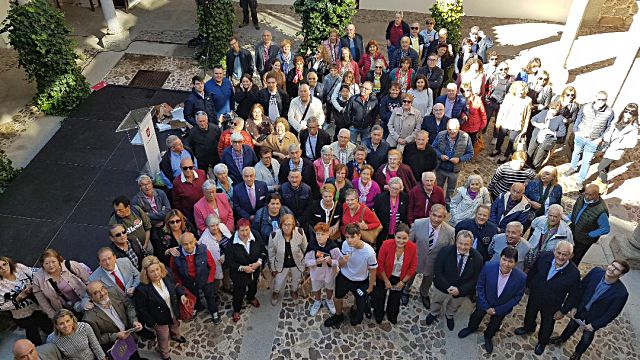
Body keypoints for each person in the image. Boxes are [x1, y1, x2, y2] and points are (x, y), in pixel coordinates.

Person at [549, 260, 630, 360]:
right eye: (612, 265)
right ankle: (562, 338)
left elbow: (611, 314)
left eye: (616, 269)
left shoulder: (621, 293)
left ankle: (578, 353)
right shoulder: (596, 272)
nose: (611, 269)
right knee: (571, 325)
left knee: (586, 338)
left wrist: (594, 325)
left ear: (621, 275)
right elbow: (580, 289)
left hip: (593, 319)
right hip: (581, 309)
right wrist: (574, 306)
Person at [515, 241, 580, 355]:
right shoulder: (544, 256)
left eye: (564, 254)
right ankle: (528, 327)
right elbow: (533, 271)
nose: (560, 257)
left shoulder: (574, 273)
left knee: (547, 324)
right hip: (535, 295)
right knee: (530, 314)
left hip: (552, 304)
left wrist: (563, 311)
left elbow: (574, 296)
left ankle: (542, 342)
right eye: (558, 253)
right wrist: (528, 286)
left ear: (571, 256)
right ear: (554, 251)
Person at [457, 247, 526, 354]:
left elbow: (517, 297)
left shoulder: (521, 277)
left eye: (510, 261)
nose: (506, 264)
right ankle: (471, 328)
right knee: (476, 315)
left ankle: (488, 336)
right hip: (484, 302)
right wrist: (486, 306)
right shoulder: (488, 266)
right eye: (504, 259)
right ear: (500, 258)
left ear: (515, 263)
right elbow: (480, 286)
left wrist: (498, 309)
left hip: (501, 308)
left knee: (495, 324)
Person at [426, 230, 483, 330]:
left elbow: (475, 279)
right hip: (442, 286)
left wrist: (460, 291)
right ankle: (434, 313)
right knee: (436, 301)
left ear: (471, 245)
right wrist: (447, 287)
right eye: (460, 243)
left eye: (466, 244)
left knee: (453, 306)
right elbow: (438, 271)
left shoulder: (478, 258)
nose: (462, 247)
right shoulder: (445, 251)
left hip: (461, 290)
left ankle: (449, 316)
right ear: (456, 242)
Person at [323, 223, 378, 327]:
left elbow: (373, 269)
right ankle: (338, 315)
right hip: (344, 276)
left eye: (352, 237)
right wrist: (344, 260)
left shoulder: (369, 252)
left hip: (360, 280)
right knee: (337, 298)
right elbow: (340, 265)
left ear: (359, 236)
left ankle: (354, 310)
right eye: (347, 237)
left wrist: (370, 286)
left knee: (358, 301)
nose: (349, 240)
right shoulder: (345, 245)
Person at [134, 256, 187, 360]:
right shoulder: (142, 289)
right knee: (163, 338)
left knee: (175, 324)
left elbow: (175, 285)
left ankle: (176, 336)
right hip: (159, 319)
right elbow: (141, 309)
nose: (156, 273)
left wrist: (181, 295)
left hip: (172, 310)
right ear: (146, 273)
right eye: (152, 271)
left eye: (157, 269)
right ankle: (165, 354)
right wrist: (152, 323)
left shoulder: (166, 276)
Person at [405, 204, 453, 308]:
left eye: (440, 216)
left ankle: (424, 293)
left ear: (444, 217)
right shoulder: (418, 224)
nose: (436, 219)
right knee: (409, 277)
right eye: (434, 215)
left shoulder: (450, 231)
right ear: (430, 213)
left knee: (428, 280)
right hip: (415, 259)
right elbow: (409, 243)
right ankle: (405, 290)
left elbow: (448, 252)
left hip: (433, 263)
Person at [83, 281, 145, 358]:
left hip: (131, 339)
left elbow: (128, 306)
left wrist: (134, 321)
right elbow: (97, 339)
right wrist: (116, 335)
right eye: (96, 293)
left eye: (102, 289)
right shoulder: (89, 318)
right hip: (117, 349)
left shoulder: (114, 291)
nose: (102, 293)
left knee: (136, 356)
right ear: (91, 298)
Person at [170, 233, 220, 324]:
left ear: (195, 241)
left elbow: (212, 265)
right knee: (194, 297)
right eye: (185, 244)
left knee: (210, 296)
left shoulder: (203, 250)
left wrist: (210, 279)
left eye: (191, 242)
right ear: (181, 244)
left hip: (205, 279)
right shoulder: (176, 255)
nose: (189, 246)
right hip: (188, 281)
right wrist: (180, 283)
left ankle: (214, 311)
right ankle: (197, 307)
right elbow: (174, 271)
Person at [0, 257, 52, 345]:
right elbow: (1, 307)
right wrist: (17, 299)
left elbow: (35, 274)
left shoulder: (19, 268)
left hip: (38, 305)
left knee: (47, 326)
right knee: (32, 331)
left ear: (8, 262)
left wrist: (32, 285)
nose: (3, 268)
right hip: (22, 314)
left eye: (4, 264)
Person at [373, 224, 417, 324]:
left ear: (408, 237)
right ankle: (378, 314)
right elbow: (380, 264)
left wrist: (403, 282)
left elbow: (413, 267)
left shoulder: (413, 248)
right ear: (394, 236)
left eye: (404, 238)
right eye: (399, 237)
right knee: (380, 296)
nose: (401, 241)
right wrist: (386, 281)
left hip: (400, 278)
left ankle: (392, 314)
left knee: (395, 299)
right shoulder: (386, 244)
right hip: (383, 276)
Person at [225, 219, 267, 322]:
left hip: (254, 271)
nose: (245, 233)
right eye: (242, 231)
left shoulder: (256, 235)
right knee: (238, 292)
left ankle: (251, 298)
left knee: (253, 286)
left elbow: (263, 251)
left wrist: (259, 263)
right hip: (239, 275)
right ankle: (237, 309)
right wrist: (242, 268)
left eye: (247, 230)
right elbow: (229, 261)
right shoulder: (231, 243)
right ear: (237, 230)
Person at [32, 249, 91, 319]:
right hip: (65, 312)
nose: (51, 265)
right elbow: (42, 301)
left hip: (86, 301)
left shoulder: (70, 265)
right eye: (47, 263)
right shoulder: (38, 279)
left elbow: (89, 281)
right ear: (42, 265)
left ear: (59, 260)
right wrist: (53, 316)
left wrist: (92, 298)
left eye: (53, 262)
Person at [432, 118, 474, 205]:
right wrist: (440, 156)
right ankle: (436, 202)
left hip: (454, 170)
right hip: (441, 168)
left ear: (458, 127)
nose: (452, 132)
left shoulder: (465, 137)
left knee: (451, 189)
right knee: (438, 187)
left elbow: (470, 153)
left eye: (454, 129)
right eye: (449, 129)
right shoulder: (441, 135)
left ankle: (448, 203)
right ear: (447, 128)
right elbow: (433, 148)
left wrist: (459, 159)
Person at [268, 214, 308, 304]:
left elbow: (305, 248)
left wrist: (307, 262)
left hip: (297, 262)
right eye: (284, 224)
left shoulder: (300, 232)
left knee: (296, 279)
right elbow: (271, 253)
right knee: (278, 281)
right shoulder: (274, 235)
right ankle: (276, 292)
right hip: (281, 263)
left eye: (289, 224)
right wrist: (273, 268)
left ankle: (294, 290)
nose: (287, 227)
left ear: (293, 225)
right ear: (281, 225)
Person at [490, 81, 532, 163]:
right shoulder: (509, 96)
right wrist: (498, 121)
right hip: (506, 120)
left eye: (522, 89)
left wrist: (525, 128)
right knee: (500, 136)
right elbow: (502, 110)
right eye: (518, 89)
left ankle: (505, 155)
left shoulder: (528, 100)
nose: (520, 91)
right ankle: (497, 149)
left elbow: (527, 115)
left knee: (512, 141)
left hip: (517, 123)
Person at [597, 102, 639, 183]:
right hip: (609, 147)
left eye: (631, 112)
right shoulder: (619, 120)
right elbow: (610, 132)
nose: (627, 114)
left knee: (600, 167)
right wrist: (607, 138)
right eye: (626, 111)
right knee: (605, 167)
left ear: (634, 114)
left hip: (615, 151)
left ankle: (603, 183)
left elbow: (632, 143)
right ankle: (601, 182)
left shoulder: (633, 127)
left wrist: (619, 144)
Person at [305, 223, 341, 316]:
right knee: (316, 288)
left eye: (322, 234)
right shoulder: (311, 246)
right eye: (317, 234)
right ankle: (317, 301)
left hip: (329, 273)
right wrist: (315, 262)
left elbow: (339, 261)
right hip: (316, 273)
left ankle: (329, 300)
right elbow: (306, 262)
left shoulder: (334, 248)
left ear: (328, 234)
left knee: (329, 287)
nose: (319, 237)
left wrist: (331, 261)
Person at [569, 184, 610, 265]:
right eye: (586, 193)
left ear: (597, 195)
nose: (587, 197)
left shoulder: (601, 211)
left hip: (583, 241)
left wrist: (589, 235)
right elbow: (575, 212)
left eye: (590, 195)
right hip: (572, 232)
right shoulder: (581, 198)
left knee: (575, 259)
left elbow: (605, 229)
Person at [526, 101, 567, 169]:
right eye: (552, 109)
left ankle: (533, 171)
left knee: (538, 159)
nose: (554, 112)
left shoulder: (560, 119)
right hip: (536, 137)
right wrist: (537, 124)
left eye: (556, 110)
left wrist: (551, 132)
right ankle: (525, 168)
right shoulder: (544, 112)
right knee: (529, 153)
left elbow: (562, 133)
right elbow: (533, 119)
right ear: (550, 108)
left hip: (547, 141)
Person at [132, 174, 171, 241]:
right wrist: (160, 216)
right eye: (144, 185)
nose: (147, 187)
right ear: (140, 187)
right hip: (152, 228)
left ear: (152, 184)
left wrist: (148, 215)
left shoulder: (160, 193)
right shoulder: (136, 200)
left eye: (148, 183)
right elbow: (142, 219)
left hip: (166, 223)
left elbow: (168, 211)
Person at [198, 215, 232, 291]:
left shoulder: (222, 226)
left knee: (227, 274)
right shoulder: (204, 239)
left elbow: (230, 240)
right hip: (216, 263)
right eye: (212, 226)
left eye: (217, 225)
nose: (216, 227)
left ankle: (227, 287)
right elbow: (202, 255)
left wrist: (227, 255)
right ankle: (215, 293)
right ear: (207, 227)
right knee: (216, 281)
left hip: (227, 258)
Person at [373, 177, 409, 248]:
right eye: (392, 188)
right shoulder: (380, 197)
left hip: (398, 232)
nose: (394, 191)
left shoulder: (405, 197)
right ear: (388, 187)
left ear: (401, 189)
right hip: (383, 231)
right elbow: (375, 213)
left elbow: (406, 213)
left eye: (396, 189)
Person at [171, 157, 205, 223]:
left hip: (205, 209)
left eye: (190, 167)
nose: (188, 170)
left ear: (194, 166)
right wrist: (183, 215)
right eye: (185, 168)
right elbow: (176, 201)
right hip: (190, 213)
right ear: (181, 168)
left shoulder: (202, 174)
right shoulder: (177, 182)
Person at [484, 61, 514, 134]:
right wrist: (486, 99)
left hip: (502, 103)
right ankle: (482, 134)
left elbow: (512, 92)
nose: (503, 71)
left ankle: (495, 136)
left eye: (505, 69)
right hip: (491, 101)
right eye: (501, 69)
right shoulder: (493, 77)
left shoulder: (511, 80)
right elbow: (486, 88)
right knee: (486, 118)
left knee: (498, 121)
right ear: (498, 69)